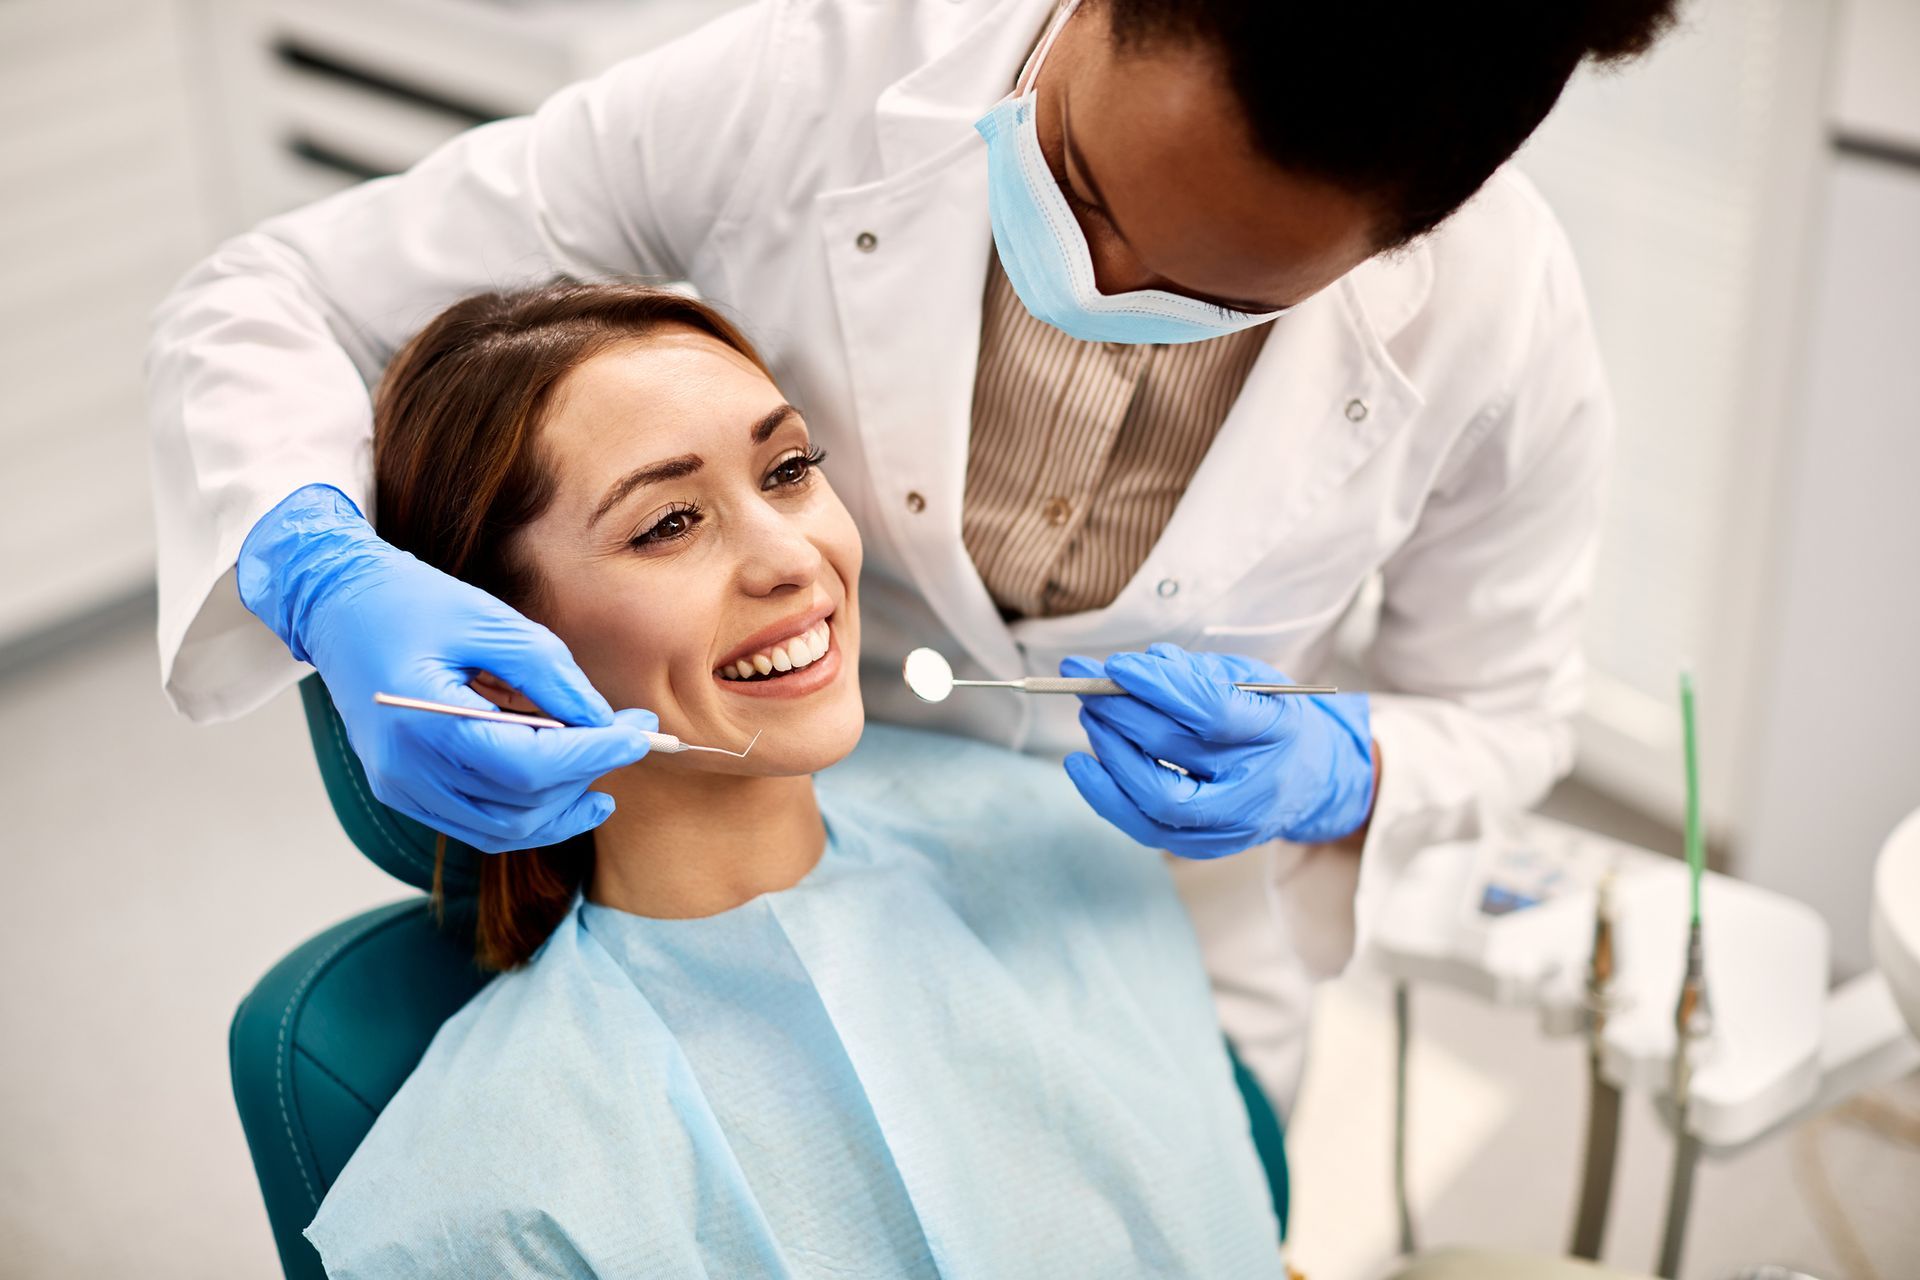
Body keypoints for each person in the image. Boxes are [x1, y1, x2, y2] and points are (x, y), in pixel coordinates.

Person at [148, 0, 1680, 1104]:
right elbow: (270, 299)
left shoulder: (1498, 318)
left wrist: (1346, 763)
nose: (1103, 277)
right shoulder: (815, 77)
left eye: (1209, 297)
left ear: (1401, 246)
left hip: (1150, 950)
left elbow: (1505, 710)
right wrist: (318, 570)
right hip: (773, 875)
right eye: (1080, 185)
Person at [301, 281, 1283, 1277]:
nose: (791, 556)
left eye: (788, 468)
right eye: (670, 520)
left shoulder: (1055, 840)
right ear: (496, 652)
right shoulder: (492, 1202)